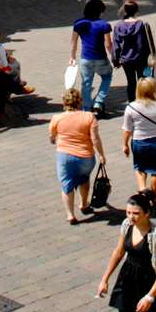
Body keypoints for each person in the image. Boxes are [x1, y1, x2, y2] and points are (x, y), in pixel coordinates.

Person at [95, 192, 156, 312]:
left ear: (147, 213)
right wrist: (104, 279)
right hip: (128, 278)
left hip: (150, 280)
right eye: (128, 212)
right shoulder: (127, 225)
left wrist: (150, 297)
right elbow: (118, 252)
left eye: (136, 213)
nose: (131, 217)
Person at [49, 87, 106, 223]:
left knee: (66, 184)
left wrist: (55, 140)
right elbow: (95, 139)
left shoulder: (56, 118)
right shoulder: (89, 117)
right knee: (84, 179)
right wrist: (101, 155)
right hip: (85, 156)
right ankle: (84, 204)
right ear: (79, 101)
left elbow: (52, 138)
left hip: (65, 156)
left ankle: (70, 214)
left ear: (64, 102)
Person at [122, 77, 156, 202]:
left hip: (139, 142)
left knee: (140, 168)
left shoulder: (131, 107)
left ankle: (142, 190)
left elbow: (127, 129)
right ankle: (153, 196)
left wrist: (124, 144)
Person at [73, 0, 116, 115]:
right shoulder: (104, 24)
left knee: (86, 83)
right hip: (100, 57)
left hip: (85, 58)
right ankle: (99, 101)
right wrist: (113, 56)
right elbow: (108, 44)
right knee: (107, 77)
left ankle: (87, 109)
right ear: (100, 11)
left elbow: (74, 42)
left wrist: (72, 56)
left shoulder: (79, 24)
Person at [112, 0, 155, 90]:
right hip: (141, 59)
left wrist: (116, 60)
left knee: (131, 82)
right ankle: (142, 101)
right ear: (136, 11)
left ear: (125, 11)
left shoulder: (118, 26)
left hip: (126, 60)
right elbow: (149, 43)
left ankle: (132, 103)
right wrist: (152, 57)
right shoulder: (143, 25)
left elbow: (116, 45)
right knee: (143, 81)